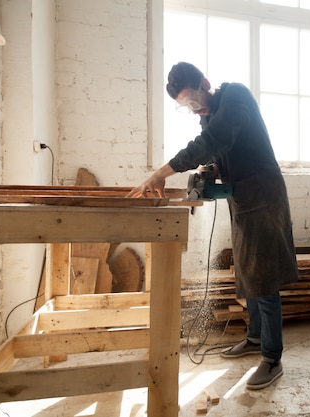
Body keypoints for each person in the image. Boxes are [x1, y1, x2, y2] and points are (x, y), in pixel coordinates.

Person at [127, 62, 299, 390]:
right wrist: (209, 169)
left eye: (194, 101)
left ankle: (272, 358)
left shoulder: (236, 96)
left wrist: (164, 171)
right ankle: (254, 338)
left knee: (263, 276)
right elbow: (216, 148)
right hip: (243, 198)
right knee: (248, 271)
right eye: (187, 107)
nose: (194, 110)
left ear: (205, 83)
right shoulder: (209, 115)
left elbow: (217, 137)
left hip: (263, 193)